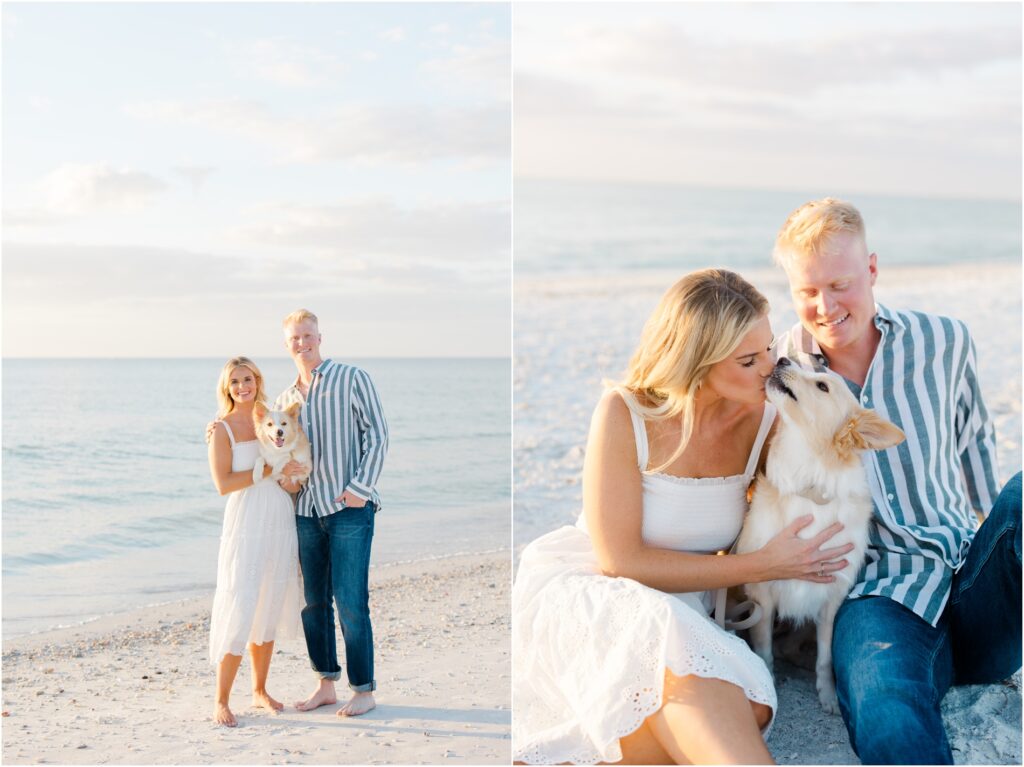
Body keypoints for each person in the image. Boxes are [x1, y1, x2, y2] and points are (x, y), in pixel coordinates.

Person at [512, 269, 854, 765]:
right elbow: (621, 561)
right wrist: (763, 566)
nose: (769, 368)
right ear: (696, 361)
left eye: (769, 350)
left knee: (745, 709)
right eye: (747, 359)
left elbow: (829, 471)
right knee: (697, 701)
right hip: (599, 592)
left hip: (688, 606)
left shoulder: (767, 418)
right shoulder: (624, 413)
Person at [772, 198, 1022, 765]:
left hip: (968, 574)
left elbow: (975, 440)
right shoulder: (780, 367)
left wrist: (998, 541)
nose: (825, 306)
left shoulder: (945, 342)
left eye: (840, 284)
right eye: (807, 291)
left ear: (873, 270)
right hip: (874, 597)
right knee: (885, 705)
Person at [276, 309, 389, 718]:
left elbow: (377, 434)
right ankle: (325, 683)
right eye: (294, 339)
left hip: (348, 510)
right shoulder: (285, 400)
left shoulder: (351, 378)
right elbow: (278, 451)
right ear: (286, 344)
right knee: (313, 603)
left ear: (320, 337)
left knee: (351, 601)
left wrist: (358, 490)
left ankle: (363, 689)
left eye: (307, 336)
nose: (302, 343)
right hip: (306, 512)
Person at [207, 356, 304, 727]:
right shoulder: (222, 428)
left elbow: (291, 471)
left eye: (248, 379)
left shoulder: (275, 418)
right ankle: (221, 699)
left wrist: (291, 476)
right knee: (240, 600)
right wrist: (264, 470)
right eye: (235, 382)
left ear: (257, 380)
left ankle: (260, 690)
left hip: (278, 514)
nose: (242, 386)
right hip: (246, 517)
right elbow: (223, 484)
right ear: (227, 388)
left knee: (269, 601)